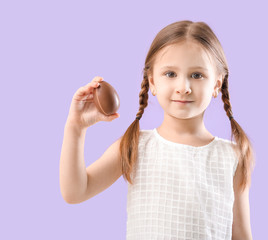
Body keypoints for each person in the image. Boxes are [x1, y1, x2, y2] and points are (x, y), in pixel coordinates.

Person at [60, 20, 255, 240]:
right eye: (170, 74)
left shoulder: (231, 157)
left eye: (197, 75)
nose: (183, 87)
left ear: (217, 85)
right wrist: (76, 127)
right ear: (152, 81)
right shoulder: (135, 146)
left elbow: (241, 235)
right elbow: (75, 192)